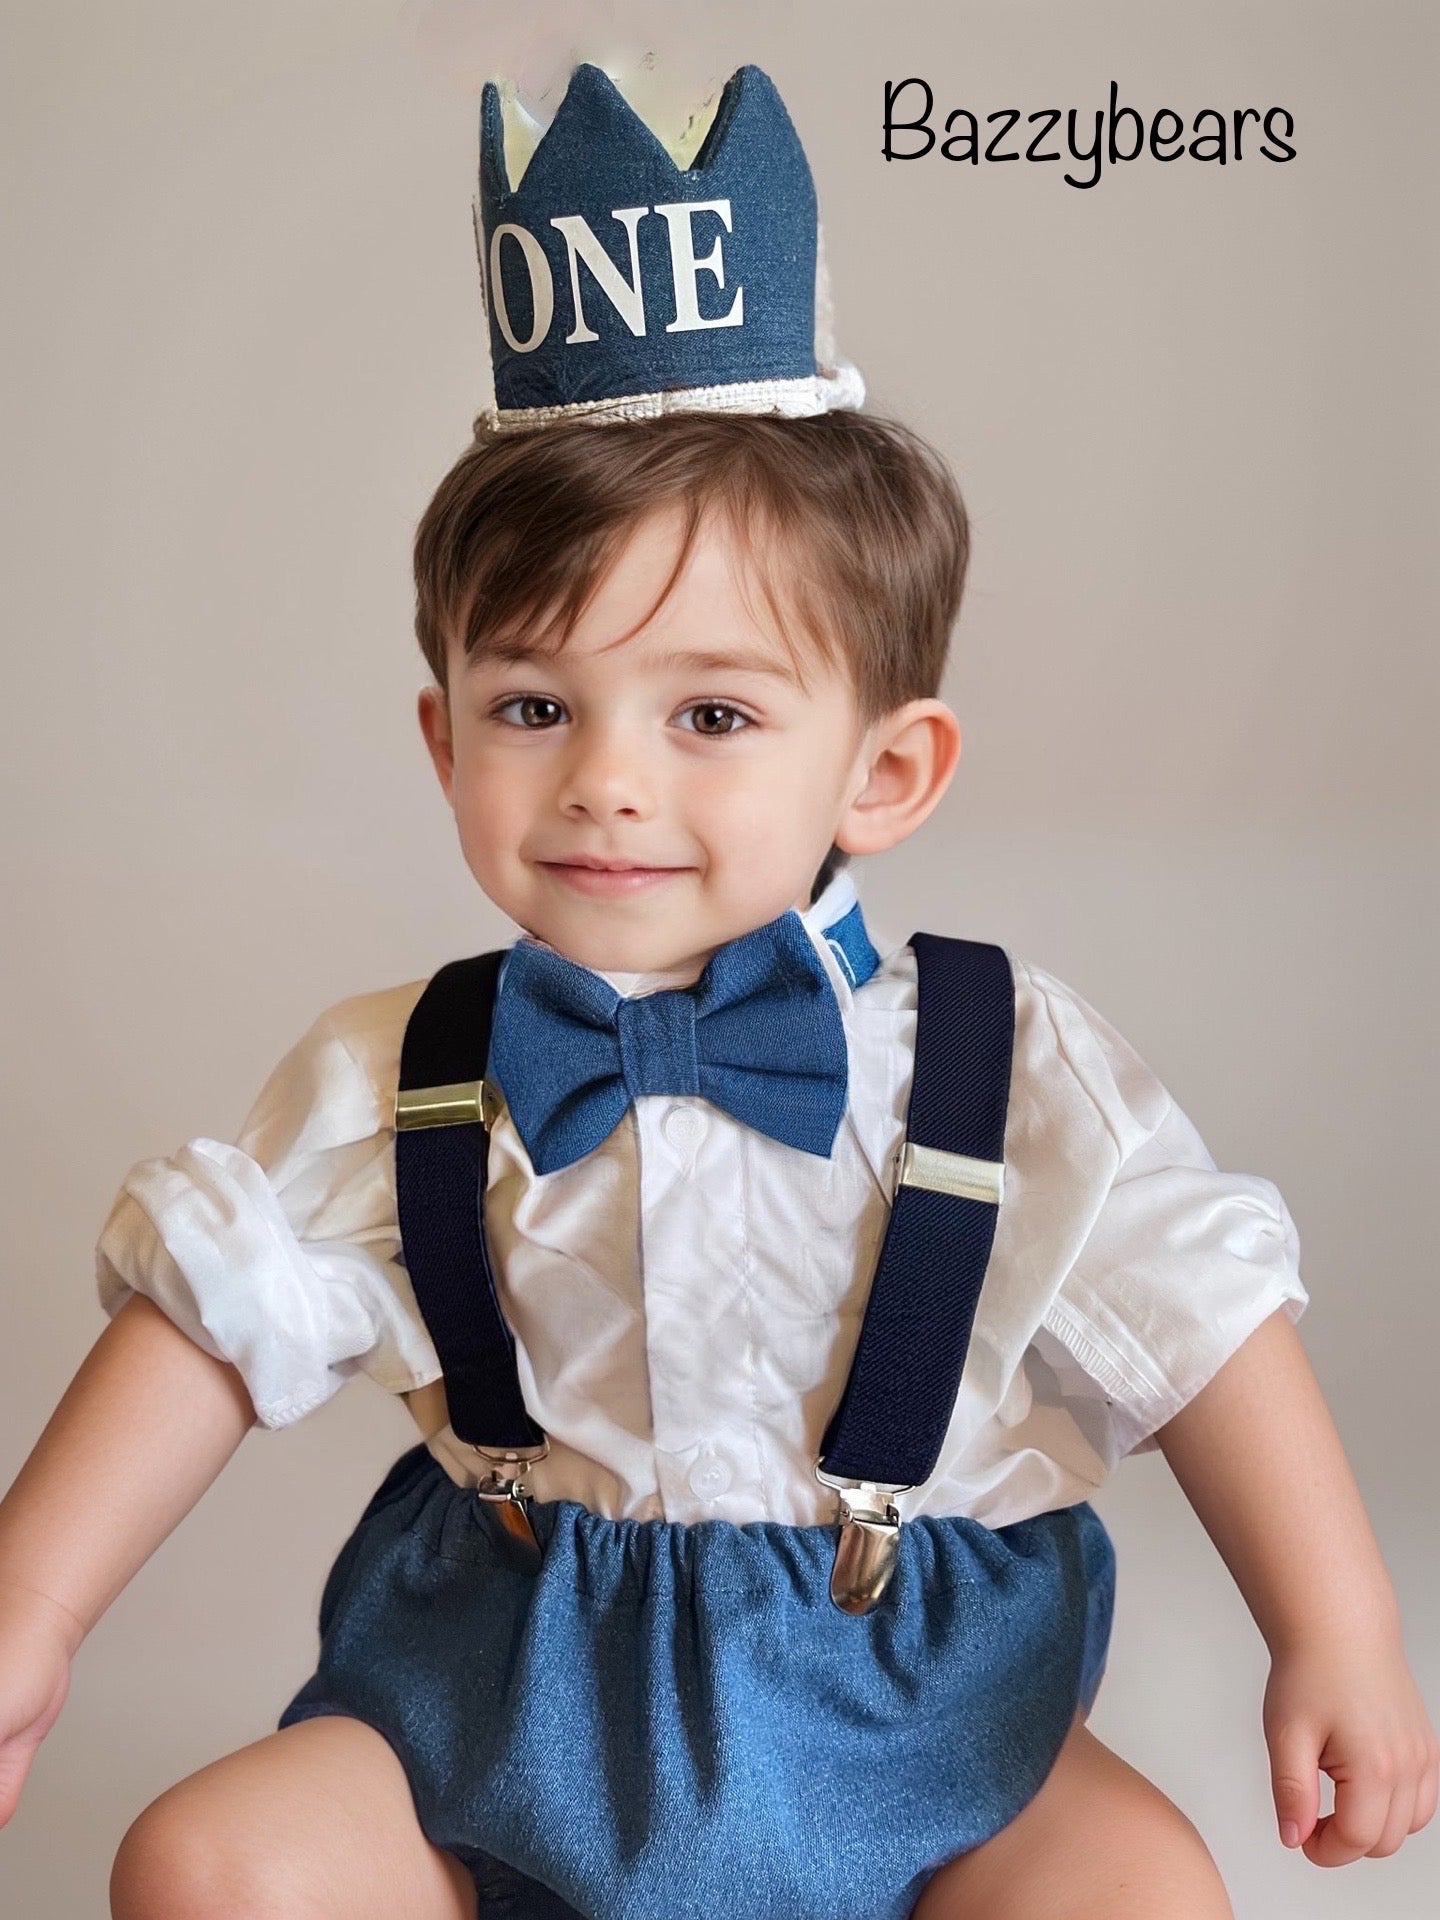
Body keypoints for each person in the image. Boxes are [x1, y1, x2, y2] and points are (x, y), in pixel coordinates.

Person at [1, 59, 1435, 1920]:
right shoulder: (408, 1069)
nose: (607, 777)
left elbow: (1209, 1326)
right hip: (504, 1692)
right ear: (443, 743)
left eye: (711, 714)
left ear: (885, 773)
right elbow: (204, 1329)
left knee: (1140, 1894)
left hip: (919, 1703)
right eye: (535, 707)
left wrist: (1340, 1632)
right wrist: (30, 1607)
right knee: (198, 1866)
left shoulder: (999, 1067)